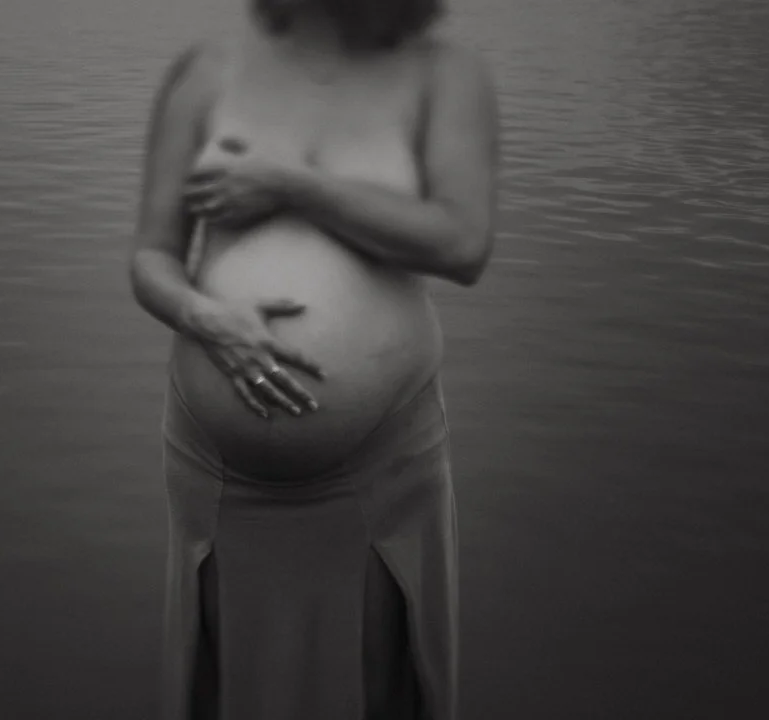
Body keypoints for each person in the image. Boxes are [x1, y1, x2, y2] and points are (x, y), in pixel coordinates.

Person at [129, 0, 499, 717]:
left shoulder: (443, 75)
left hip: (381, 457)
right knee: (219, 670)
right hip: (216, 464)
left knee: (384, 673)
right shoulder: (205, 73)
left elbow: (462, 244)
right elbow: (152, 255)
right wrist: (208, 318)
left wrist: (295, 186)